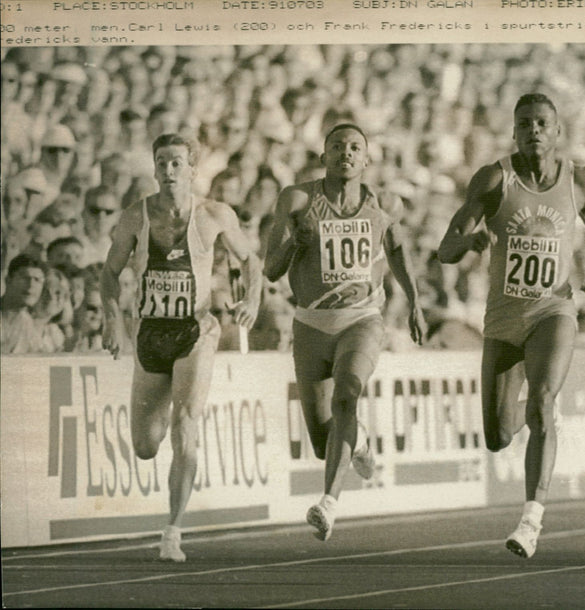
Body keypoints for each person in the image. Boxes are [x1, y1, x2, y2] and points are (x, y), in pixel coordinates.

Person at [437, 93, 585, 559]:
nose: (533, 130)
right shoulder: (495, 179)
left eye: (542, 123)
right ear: (514, 132)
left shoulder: (578, 179)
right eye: (524, 124)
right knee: (497, 436)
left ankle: (531, 519)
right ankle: (541, 410)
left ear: (557, 132)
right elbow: (444, 249)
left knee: (540, 399)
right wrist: (471, 240)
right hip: (502, 321)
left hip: (552, 311)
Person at [100, 133, 262, 562]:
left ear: (193, 170)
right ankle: (167, 405)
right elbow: (110, 271)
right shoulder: (136, 216)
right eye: (162, 163)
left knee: (186, 424)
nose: (169, 171)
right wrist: (112, 317)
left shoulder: (214, 214)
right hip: (150, 334)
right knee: (145, 446)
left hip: (196, 330)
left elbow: (250, 260)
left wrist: (253, 298)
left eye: (177, 163)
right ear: (154, 169)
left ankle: (172, 530)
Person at [266, 123, 426, 541]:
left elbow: (396, 250)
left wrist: (414, 302)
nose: (346, 153)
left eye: (355, 147)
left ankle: (328, 503)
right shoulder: (298, 199)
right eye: (336, 146)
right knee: (323, 441)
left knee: (346, 396)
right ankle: (357, 442)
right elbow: (271, 269)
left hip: (361, 319)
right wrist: (295, 243)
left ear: (367, 159)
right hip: (310, 323)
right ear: (323, 157)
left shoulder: (384, 202)